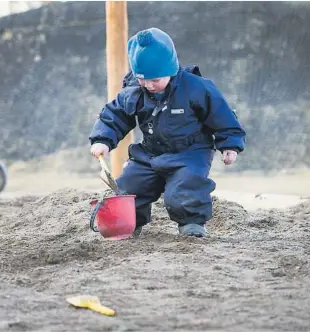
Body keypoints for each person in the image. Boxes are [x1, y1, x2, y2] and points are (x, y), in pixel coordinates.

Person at [88, 27, 246, 238]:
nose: (149, 85)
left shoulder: (196, 88)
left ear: (171, 69)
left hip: (190, 153)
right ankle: (130, 224)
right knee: (129, 186)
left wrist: (230, 144)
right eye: (143, 79)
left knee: (184, 189)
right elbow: (114, 115)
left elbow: (222, 115)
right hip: (150, 154)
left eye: (155, 79)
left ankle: (191, 225)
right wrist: (102, 139)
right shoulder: (135, 91)